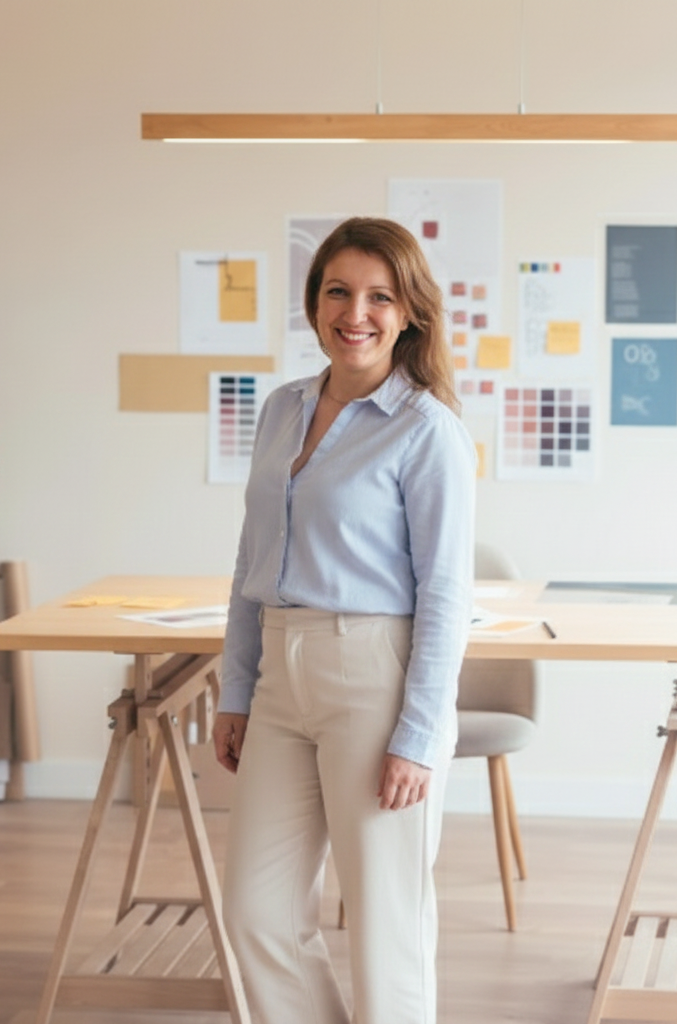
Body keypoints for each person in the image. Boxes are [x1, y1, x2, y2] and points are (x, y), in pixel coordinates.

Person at [212, 216, 476, 1024]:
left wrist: (419, 734)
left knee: (385, 925)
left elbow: (446, 594)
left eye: (378, 296)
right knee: (255, 914)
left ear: (409, 313)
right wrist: (235, 689)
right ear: (314, 300)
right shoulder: (283, 408)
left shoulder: (427, 430)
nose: (354, 312)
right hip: (279, 679)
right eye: (338, 290)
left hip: (373, 677)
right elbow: (251, 561)